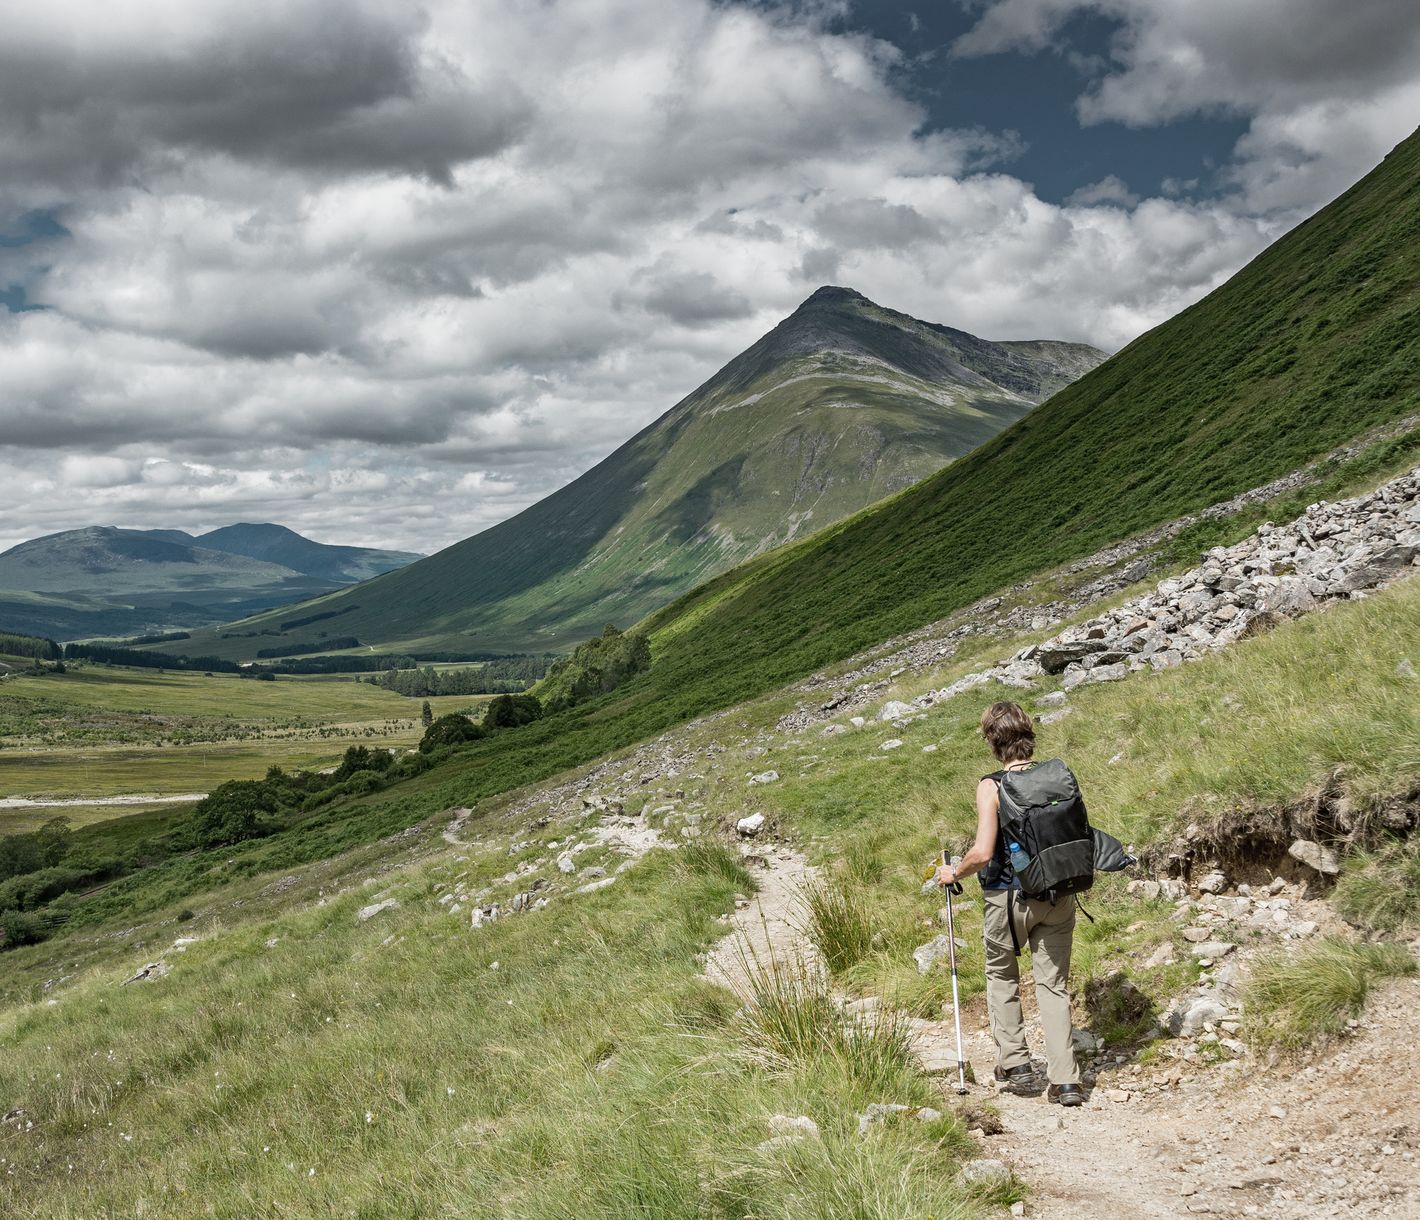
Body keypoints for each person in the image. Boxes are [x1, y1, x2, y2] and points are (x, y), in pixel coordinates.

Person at [935, 700, 1084, 1107]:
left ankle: (1016, 1062)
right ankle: (1066, 1081)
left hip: (1007, 896)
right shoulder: (1057, 774)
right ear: (1028, 734)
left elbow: (983, 852)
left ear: (992, 741)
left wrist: (953, 873)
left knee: (1002, 975)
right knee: (1053, 986)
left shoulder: (992, 786)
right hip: (1058, 892)